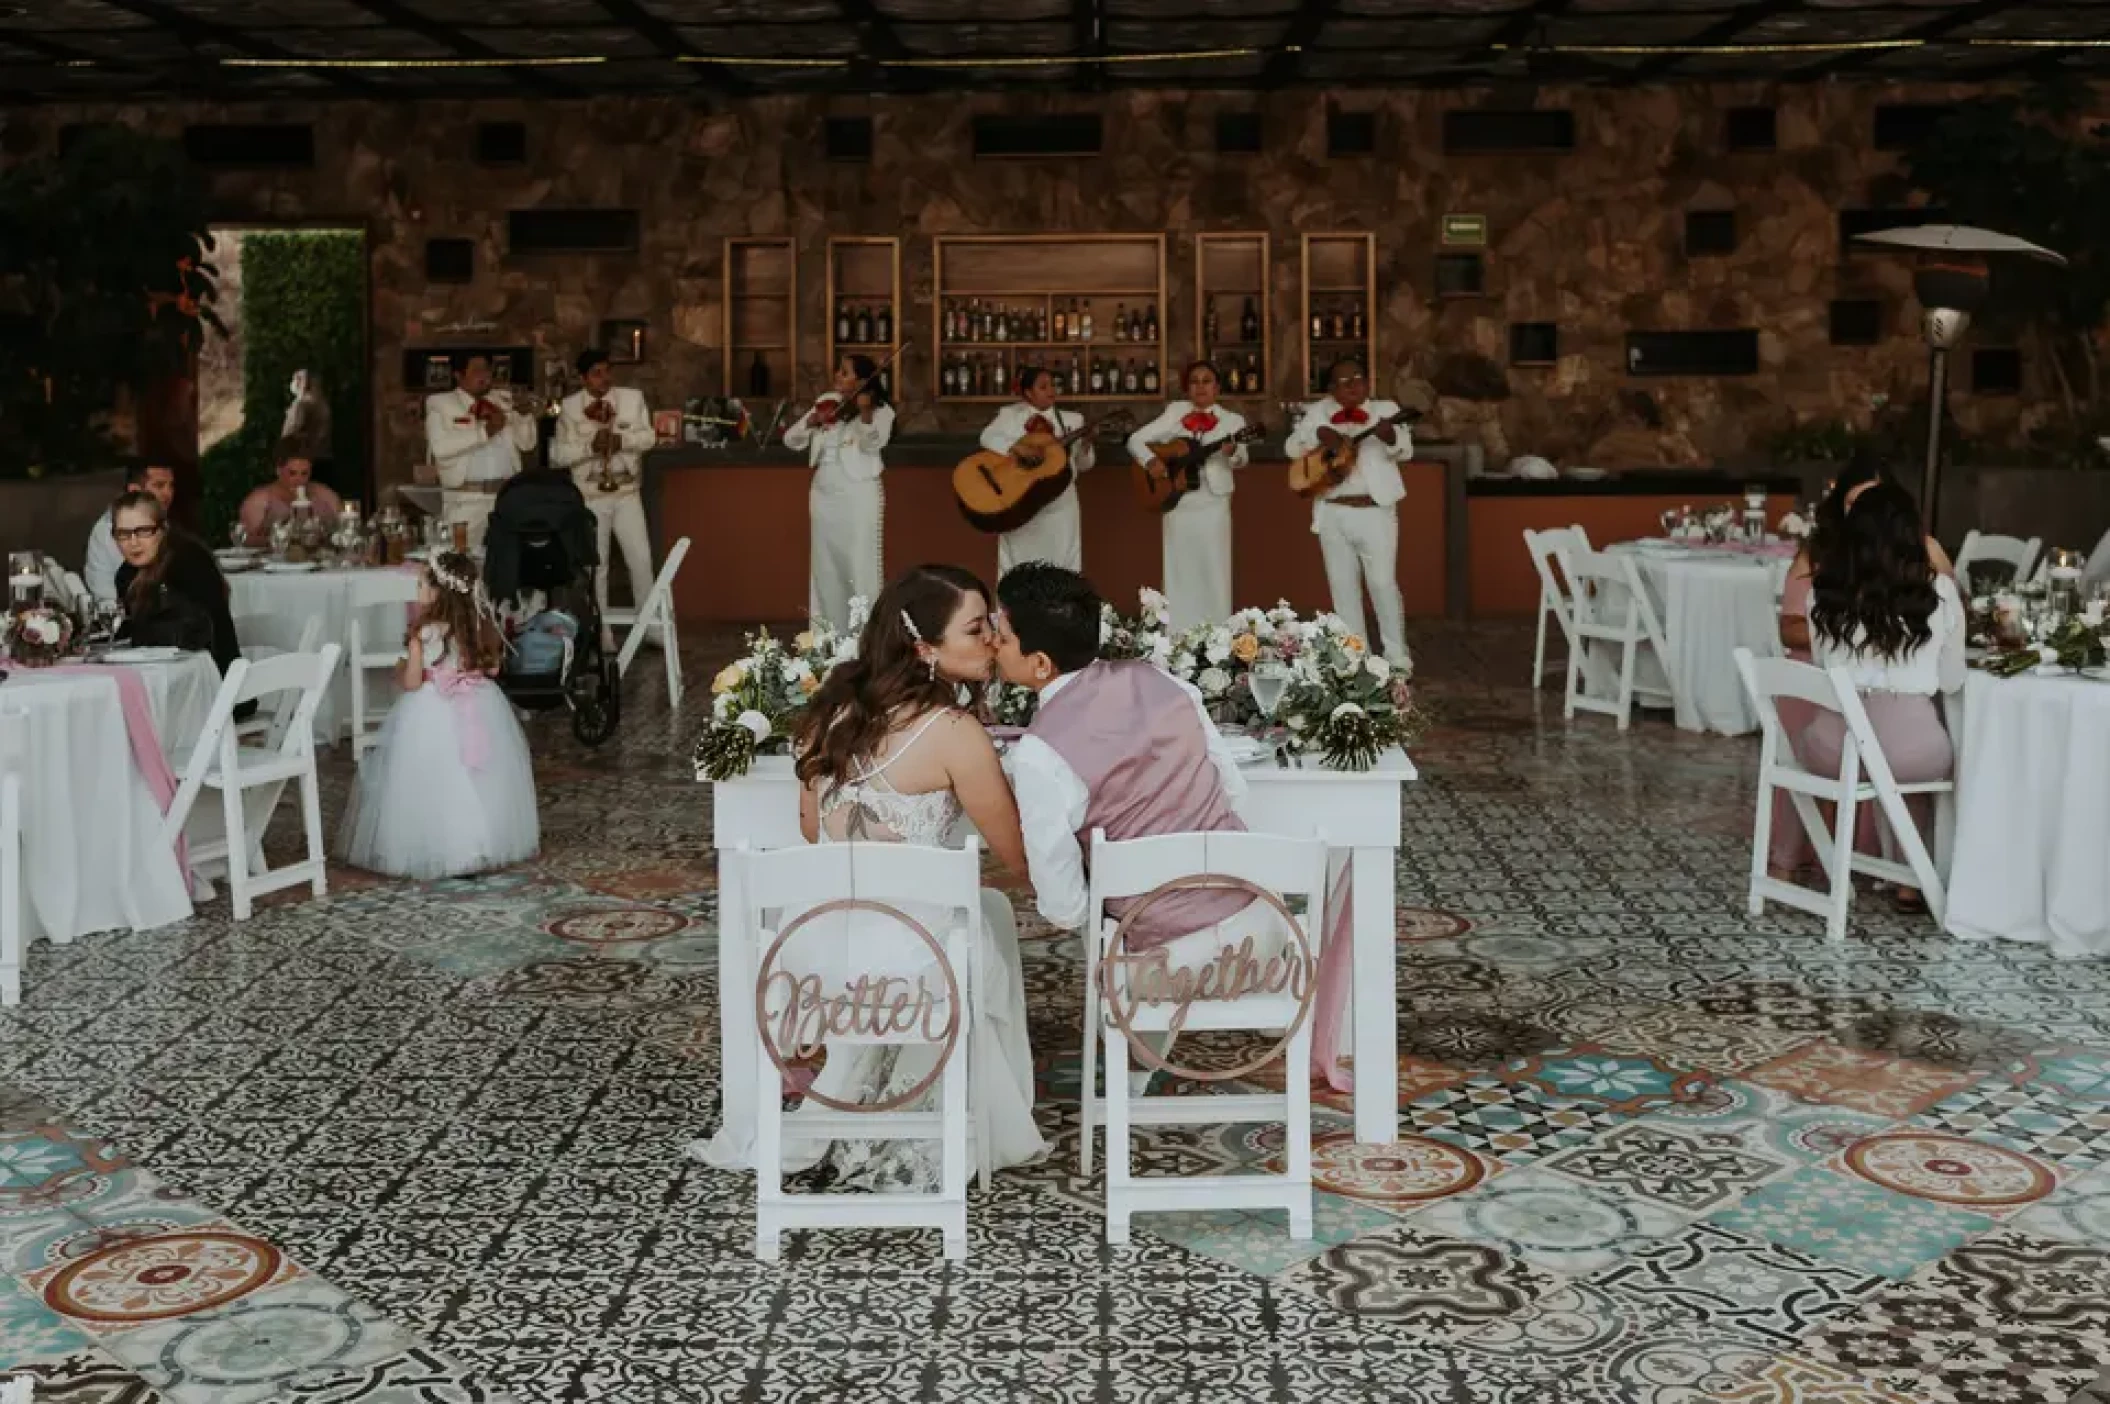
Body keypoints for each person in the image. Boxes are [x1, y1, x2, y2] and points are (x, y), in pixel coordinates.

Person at [691, 564, 1047, 1189]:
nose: (992, 638)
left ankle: (867, 1099)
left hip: (820, 952)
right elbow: (1018, 856)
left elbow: (811, 833)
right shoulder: (957, 735)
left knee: (971, 912)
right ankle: (967, 1112)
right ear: (924, 648)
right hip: (911, 965)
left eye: (991, 624)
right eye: (976, 628)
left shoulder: (827, 715)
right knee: (986, 913)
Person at [994, 563, 1345, 1091]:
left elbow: (1065, 909)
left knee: (1112, 923)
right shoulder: (1160, 681)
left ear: (1039, 663)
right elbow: (1232, 791)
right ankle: (1139, 1067)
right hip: (1265, 934)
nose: (992, 645)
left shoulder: (1040, 754)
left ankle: (1131, 1072)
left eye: (1000, 636)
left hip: (1162, 969)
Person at [1799, 480, 1964, 913]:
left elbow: (1821, 667)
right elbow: (1952, 680)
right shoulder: (1939, 593)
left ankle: (1872, 868)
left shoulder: (1822, 594)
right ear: (1913, 535)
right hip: (1907, 752)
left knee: (1885, 755)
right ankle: (1916, 880)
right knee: (1931, 756)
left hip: (1828, 747)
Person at [338, 551, 539, 880]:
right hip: (480, 703)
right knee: (480, 773)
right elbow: (493, 668)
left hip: (432, 708)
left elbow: (414, 681)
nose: (417, 591)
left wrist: (402, 668)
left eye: (420, 584)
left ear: (437, 592)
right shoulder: (480, 625)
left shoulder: (424, 631)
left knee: (434, 775)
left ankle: (439, 845)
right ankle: (485, 840)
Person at [1283, 359, 1413, 665]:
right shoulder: (1319, 412)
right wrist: (1318, 435)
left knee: (1382, 584)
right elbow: (1291, 448)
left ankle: (1396, 658)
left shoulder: (1386, 409)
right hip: (1333, 511)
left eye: (1359, 378)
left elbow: (1405, 450)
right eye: (1344, 381)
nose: (1354, 385)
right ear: (1331, 389)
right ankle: (1355, 658)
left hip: (1375, 510)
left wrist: (1390, 437)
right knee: (1343, 589)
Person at [1125, 361, 1248, 631]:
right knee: (1179, 571)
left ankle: (1217, 635)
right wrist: (1150, 462)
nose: (1200, 387)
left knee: (1214, 569)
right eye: (1194, 381)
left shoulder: (1233, 421)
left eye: (1207, 381)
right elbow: (1135, 440)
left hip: (1213, 503)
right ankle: (1177, 634)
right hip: (1178, 502)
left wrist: (1233, 453)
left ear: (1217, 387)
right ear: (1187, 388)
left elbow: (1242, 460)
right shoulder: (1175, 413)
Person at [551, 349, 657, 647]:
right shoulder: (570, 408)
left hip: (626, 492)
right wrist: (589, 447)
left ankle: (650, 627)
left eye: (607, 371)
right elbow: (558, 455)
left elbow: (649, 437)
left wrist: (622, 440)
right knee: (597, 566)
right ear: (583, 378)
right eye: (596, 373)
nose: (604, 378)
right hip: (591, 494)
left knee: (641, 560)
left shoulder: (632, 399)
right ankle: (602, 632)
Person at [788, 354, 893, 633]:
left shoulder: (881, 410)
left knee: (860, 566)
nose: (837, 375)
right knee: (825, 567)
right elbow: (791, 440)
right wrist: (812, 421)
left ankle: (865, 636)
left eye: (844, 372)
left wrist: (866, 413)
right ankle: (827, 635)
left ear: (861, 380)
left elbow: (873, 443)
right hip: (824, 494)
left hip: (858, 494)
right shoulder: (826, 402)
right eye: (839, 370)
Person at [110, 489, 242, 675]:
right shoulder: (126, 574)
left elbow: (195, 633)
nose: (133, 542)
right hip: (159, 676)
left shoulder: (188, 562)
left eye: (144, 531)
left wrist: (136, 632)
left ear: (162, 530)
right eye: (123, 534)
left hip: (211, 682)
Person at [979, 366, 1095, 575]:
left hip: (1061, 504)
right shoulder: (1010, 415)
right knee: (1018, 564)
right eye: (1043, 387)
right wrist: (1015, 447)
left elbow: (1084, 465)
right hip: (1020, 500)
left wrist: (1086, 448)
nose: (1051, 390)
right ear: (1028, 393)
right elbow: (987, 437)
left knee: (1063, 564)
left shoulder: (1073, 420)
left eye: (1053, 385)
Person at [425, 354, 537, 550]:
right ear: (459, 376)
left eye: (487, 369)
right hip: (466, 501)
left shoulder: (503, 400)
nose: (484, 375)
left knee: (507, 562)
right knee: (463, 561)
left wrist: (525, 416)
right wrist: (485, 432)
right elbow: (440, 448)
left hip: (505, 499)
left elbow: (527, 444)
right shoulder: (441, 404)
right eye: (477, 370)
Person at [85, 461, 176, 602]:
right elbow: (108, 601)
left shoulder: (163, 523)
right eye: (159, 485)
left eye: (171, 486)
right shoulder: (107, 532)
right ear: (134, 491)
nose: (168, 493)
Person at [237, 441, 343, 548]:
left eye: (304, 473)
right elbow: (247, 541)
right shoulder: (259, 500)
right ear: (278, 471)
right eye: (292, 473)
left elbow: (345, 529)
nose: (299, 480)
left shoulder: (324, 494)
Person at [279, 369, 334, 490]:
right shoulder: (322, 404)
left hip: (303, 461)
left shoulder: (301, 404)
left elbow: (292, 432)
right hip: (323, 458)